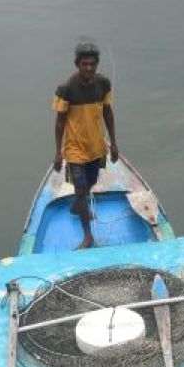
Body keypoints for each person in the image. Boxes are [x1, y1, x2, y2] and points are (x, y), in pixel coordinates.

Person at [52, 39, 119, 249]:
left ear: (97, 64)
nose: (89, 68)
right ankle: (87, 235)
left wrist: (114, 143)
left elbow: (108, 113)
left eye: (92, 64)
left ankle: (76, 205)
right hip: (74, 150)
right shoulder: (66, 89)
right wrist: (58, 152)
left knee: (90, 183)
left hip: (96, 147)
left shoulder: (104, 85)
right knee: (81, 189)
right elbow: (60, 121)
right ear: (77, 64)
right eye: (84, 64)